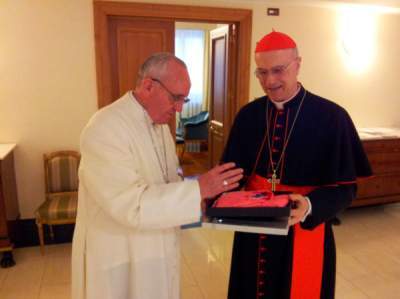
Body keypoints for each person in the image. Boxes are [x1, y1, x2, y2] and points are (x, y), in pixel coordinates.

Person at [71, 52, 243, 299]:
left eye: (184, 99)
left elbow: (168, 184)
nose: (180, 109)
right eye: (175, 98)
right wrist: (198, 189)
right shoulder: (104, 127)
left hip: (156, 248)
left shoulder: (160, 126)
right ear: (148, 85)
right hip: (120, 256)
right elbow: (132, 205)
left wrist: (204, 205)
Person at [221, 31, 372, 299]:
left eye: (278, 70)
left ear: (298, 64)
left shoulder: (332, 117)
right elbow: (231, 174)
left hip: (305, 228)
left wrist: (310, 206)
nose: (269, 81)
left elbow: (346, 188)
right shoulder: (248, 116)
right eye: (262, 72)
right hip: (253, 230)